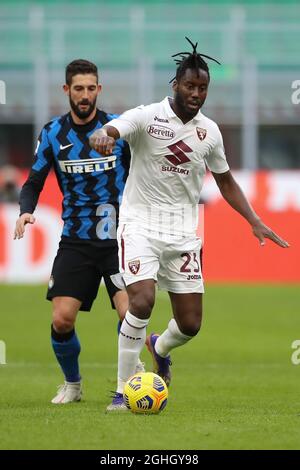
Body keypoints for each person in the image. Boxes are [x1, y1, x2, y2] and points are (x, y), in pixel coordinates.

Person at [89, 38, 289, 411]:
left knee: (191, 324)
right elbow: (115, 127)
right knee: (143, 300)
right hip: (140, 225)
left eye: (203, 88)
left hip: (183, 233)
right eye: (190, 86)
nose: (196, 93)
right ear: (175, 84)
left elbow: (225, 180)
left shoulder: (209, 133)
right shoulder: (148, 116)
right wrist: (105, 135)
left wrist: (254, 220)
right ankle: (122, 390)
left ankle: (159, 347)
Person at [14, 59, 144, 404]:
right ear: (66, 90)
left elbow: (142, 172)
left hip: (119, 238)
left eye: (91, 88)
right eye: (78, 89)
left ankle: (129, 379)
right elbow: (34, 182)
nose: (85, 95)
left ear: (98, 90)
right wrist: (26, 211)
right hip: (76, 239)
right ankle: (73, 384)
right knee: (61, 320)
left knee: (128, 312)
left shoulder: (119, 129)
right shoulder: (53, 133)